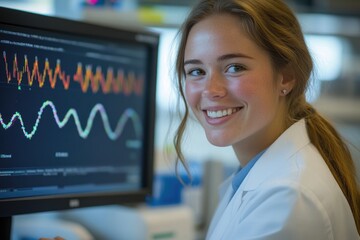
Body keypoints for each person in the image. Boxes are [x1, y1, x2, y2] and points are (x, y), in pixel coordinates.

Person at [173, 0, 360, 239]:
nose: (211, 90)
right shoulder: (260, 175)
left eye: (234, 67)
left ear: (286, 77)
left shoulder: (287, 199)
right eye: (196, 71)